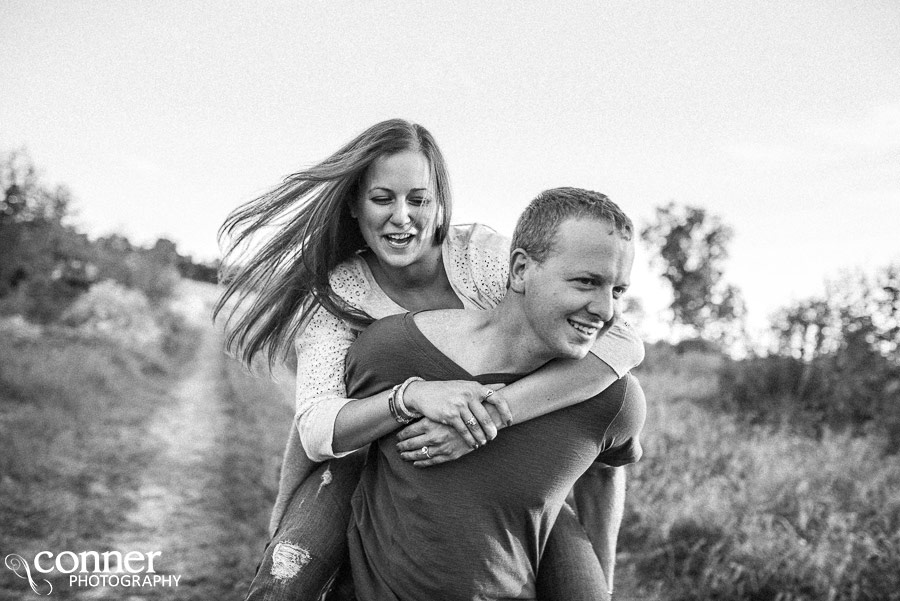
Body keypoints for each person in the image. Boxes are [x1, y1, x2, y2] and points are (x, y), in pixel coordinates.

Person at [214, 120, 644, 600]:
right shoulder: (341, 293)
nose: (403, 217)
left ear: (440, 204)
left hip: (507, 461)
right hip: (372, 450)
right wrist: (412, 396)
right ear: (355, 205)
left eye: (419, 199)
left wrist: (492, 416)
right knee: (286, 575)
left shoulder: (479, 256)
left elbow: (622, 343)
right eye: (383, 199)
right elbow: (314, 428)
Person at [344, 187, 646, 600]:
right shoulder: (391, 350)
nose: (605, 310)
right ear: (520, 270)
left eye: (616, 291)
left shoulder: (613, 400)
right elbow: (327, 436)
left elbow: (605, 471)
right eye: (586, 282)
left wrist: (600, 586)